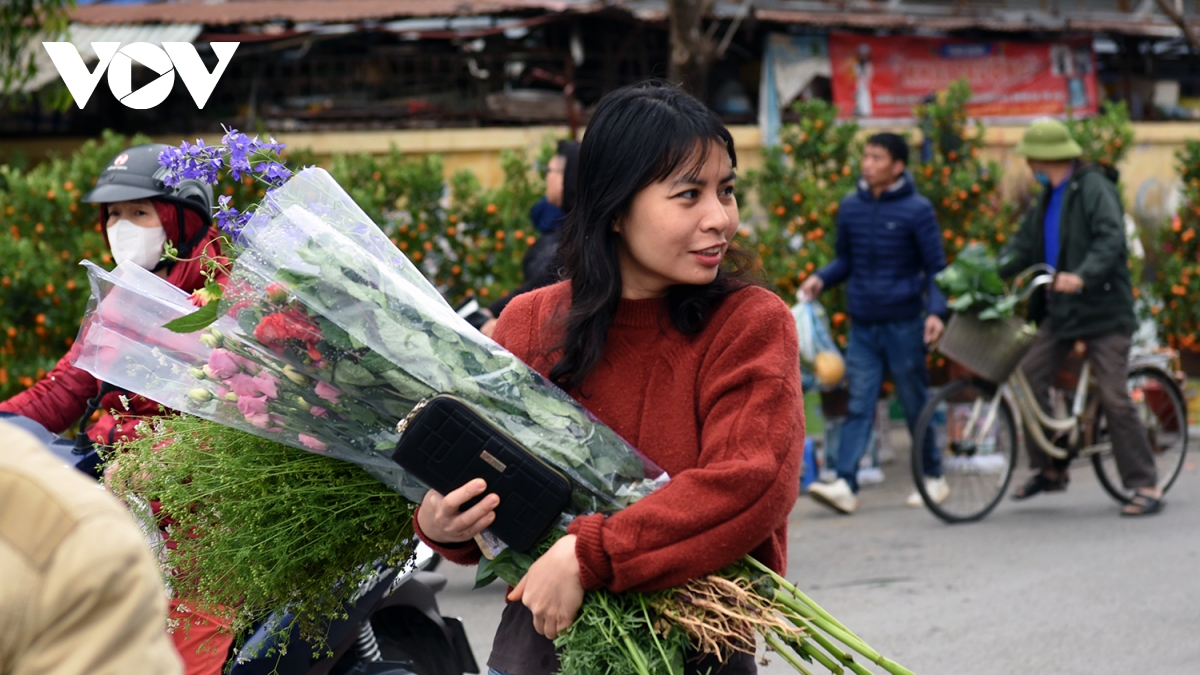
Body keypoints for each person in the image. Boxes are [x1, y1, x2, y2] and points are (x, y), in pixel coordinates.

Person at [414, 82, 804, 675]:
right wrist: (443, 522)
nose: (720, 218)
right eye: (689, 195)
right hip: (539, 648)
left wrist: (589, 555)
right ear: (616, 209)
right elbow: (483, 477)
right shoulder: (530, 323)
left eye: (726, 191)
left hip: (694, 649)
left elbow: (748, 483)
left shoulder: (749, 324)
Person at [0, 144, 235, 672]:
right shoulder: (122, 298)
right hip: (117, 493)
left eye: (139, 213)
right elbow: (63, 390)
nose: (122, 227)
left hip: (199, 514)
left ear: (179, 220)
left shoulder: (228, 297)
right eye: (113, 215)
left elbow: (249, 415)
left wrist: (166, 457)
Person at [1001, 118, 1162, 516]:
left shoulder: (1093, 186)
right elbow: (1021, 248)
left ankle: (1146, 483)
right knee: (1028, 374)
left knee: (1112, 394)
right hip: (1063, 310)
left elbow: (1111, 238)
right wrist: (984, 275)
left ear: (1044, 157)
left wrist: (1083, 275)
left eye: (1030, 157)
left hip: (1104, 309)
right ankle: (1051, 468)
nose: (1028, 164)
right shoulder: (1047, 196)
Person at [800, 132, 948, 514]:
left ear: (897, 166)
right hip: (863, 323)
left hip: (904, 324)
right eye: (865, 156)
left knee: (915, 403)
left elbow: (935, 269)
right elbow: (844, 260)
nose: (867, 164)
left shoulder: (918, 210)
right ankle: (845, 485)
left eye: (877, 157)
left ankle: (933, 477)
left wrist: (936, 312)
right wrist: (821, 277)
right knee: (859, 403)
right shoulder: (851, 207)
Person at [0, 419, 183, 675]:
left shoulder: (81, 539)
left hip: (197, 537)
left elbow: (215, 435)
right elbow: (67, 386)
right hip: (107, 471)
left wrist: (159, 460)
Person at [479, 140, 581, 337]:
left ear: (566, 177)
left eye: (549, 170)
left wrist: (499, 317)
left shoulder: (576, 236)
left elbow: (543, 284)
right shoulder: (564, 228)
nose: (546, 177)